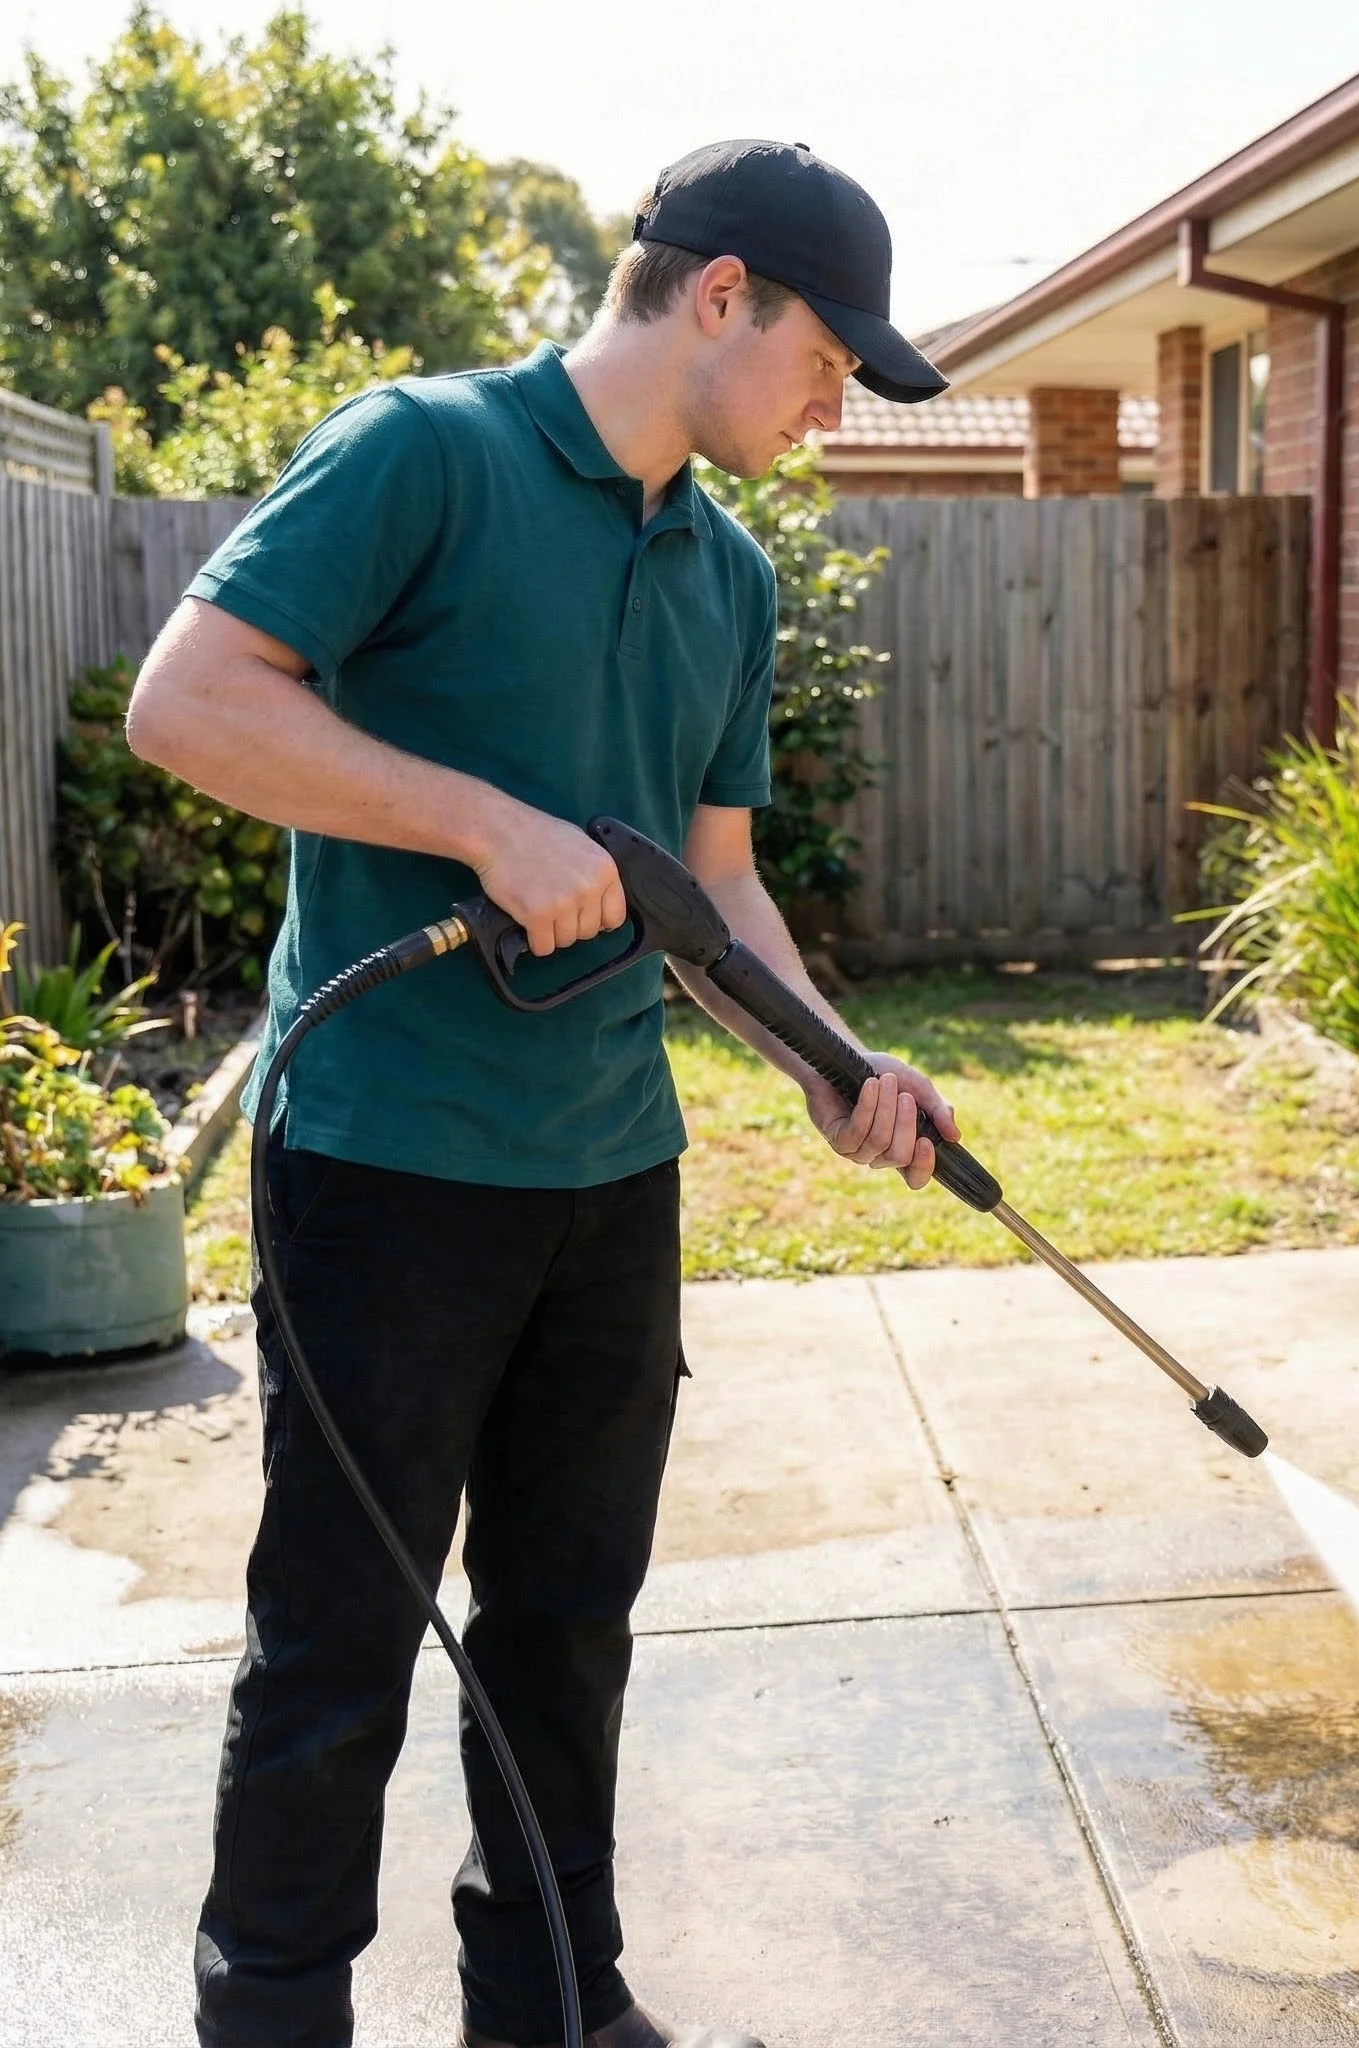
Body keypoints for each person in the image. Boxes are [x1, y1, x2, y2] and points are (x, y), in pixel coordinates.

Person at [126, 139, 952, 2048]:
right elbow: (189, 699)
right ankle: (272, 2018)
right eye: (833, 359)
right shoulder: (427, 454)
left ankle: (552, 2007)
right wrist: (481, 826)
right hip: (389, 1167)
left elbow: (717, 884)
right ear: (722, 292)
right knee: (338, 1648)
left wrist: (834, 1068)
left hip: (611, 1178)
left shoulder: (726, 571)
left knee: (567, 1637)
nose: (837, 407)